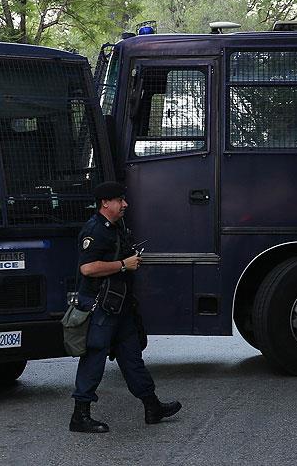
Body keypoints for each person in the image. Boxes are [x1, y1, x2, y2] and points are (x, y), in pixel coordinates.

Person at [69, 181, 182, 433]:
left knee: (132, 358)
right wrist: (123, 265)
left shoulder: (116, 226)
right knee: (94, 358)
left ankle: (152, 406)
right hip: (100, 307)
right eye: (120, 200)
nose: (125, 204)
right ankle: (80, 416)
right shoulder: (95, 229)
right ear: (105, 203)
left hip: (119, 306)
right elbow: (87, 268)